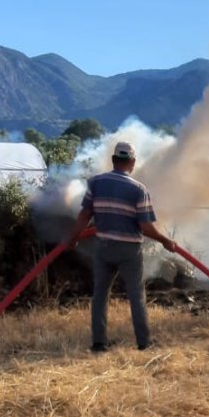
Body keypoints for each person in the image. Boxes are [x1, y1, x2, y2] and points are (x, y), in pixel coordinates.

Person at [69, 141, 176, 351]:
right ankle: (144, 343)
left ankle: (99, 343)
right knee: (136, 295)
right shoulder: (138, 189)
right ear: (133, 162)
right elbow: (145, 227)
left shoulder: (95, 183)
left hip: (103, 247)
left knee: (100, 295)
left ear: (113, 159)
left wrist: (73, 238)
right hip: (129, 251)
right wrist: (165, 240)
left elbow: (84, 215)